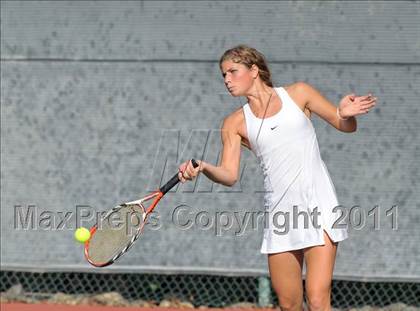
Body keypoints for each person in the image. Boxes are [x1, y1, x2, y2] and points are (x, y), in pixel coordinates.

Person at [177, 45, 377, 311]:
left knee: (318, 300)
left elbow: (343, 125)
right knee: (289, 305)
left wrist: (345, 115)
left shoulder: (299, 93)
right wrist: (203, 166)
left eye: (232, 72)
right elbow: (229, 175)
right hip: (281, 216)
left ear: (254, 70)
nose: (226, 79)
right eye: (223, 74)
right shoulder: (234, 123)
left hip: (320, 205)